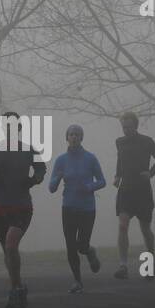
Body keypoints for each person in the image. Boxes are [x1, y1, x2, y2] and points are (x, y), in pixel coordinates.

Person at [0, 112, 47, 308]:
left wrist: (35, 178)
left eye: (12, 125)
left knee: (10, 245)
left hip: (22, 206)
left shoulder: (27, 149)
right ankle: (17, 287)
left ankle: (14, 290)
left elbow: (41, 168)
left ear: (18, 128)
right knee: (8, 251)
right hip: (0, 208)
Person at [48, 124, 107, 292]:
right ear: (66, 138)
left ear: (81, 138)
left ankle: (89, 251)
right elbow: (51, 188)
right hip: (68, 207)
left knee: (81, 245)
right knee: (70, 245)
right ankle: (77, 281)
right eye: (71, 134)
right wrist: (58, 178)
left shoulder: (90, 158)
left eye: (77, 134)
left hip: (87, 208)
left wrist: (89, 187)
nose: (74, 137)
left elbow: (102, 181)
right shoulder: (61, 160)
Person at [112, 112, 155, 280]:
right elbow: (120, 160)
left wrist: (150, 173)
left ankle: (150, 259)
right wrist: (117, 175)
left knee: (145, 229)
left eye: (128, 127)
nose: (125, 130)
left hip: (142, 189)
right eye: (123, 127)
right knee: (123, 225)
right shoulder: (119, 142)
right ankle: (123, 265)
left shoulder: (147, 141)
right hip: (125, 189)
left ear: (135, 126)